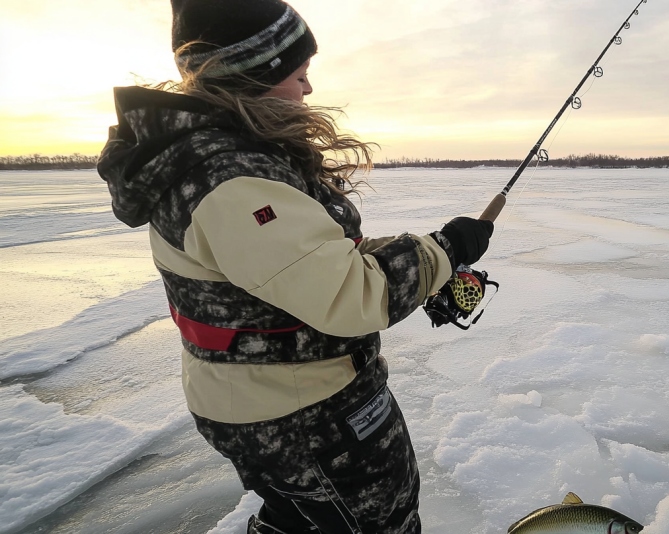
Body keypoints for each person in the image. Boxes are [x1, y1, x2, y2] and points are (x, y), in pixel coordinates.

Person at [97, 1, 493, 532]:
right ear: (254, 74)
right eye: (299, 74)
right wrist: (444, 250)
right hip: (305, 414)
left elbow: (310, 258)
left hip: (261, 402)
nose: (308, 90)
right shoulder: (232, 177)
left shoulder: (215, 156)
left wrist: (424, 251)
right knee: (378, 522)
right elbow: (350, 297)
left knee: (298, 518)